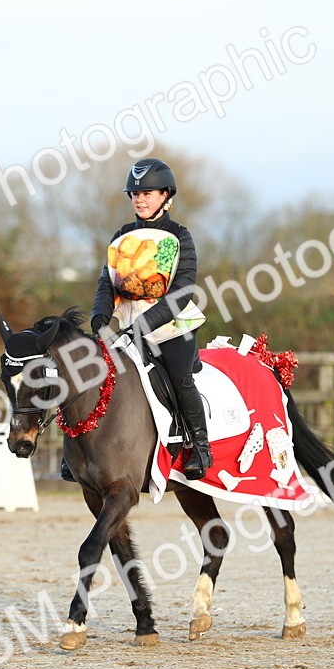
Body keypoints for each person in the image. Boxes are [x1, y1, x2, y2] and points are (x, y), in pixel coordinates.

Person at [60, 157, 213, 482]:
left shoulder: (179, 237)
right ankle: (78, 453)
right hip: (126, 330)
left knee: (179, 376)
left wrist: (142, 327)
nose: (140, 199)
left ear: (166, 196)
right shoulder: (121, 238)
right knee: (90, 376)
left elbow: (181, 292)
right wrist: (101, 316)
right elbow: (108, 283)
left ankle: (199, 444)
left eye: (149, 193)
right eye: (135, 194)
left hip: (172, 329)